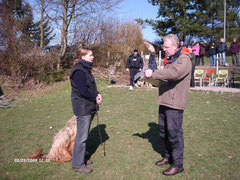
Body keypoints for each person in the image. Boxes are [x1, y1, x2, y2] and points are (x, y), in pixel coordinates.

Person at [145, 34, 192, 176]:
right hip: (165, 101)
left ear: (175, 46)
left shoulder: (183, 59)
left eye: (166, 47)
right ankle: (168, 156)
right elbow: (166, 76)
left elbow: (174, 74)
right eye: (164, 46)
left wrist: (154, 73)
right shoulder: (171, 60)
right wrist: (153, 79)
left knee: (174, 134)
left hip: (175, 103)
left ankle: (177, 164)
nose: (164, 49)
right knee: (163, 132)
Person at [69, 47, 102, 173]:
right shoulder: (79, 71)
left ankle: (81, 158)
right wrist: (95, 97)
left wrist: (97, 94)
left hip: (89, 105)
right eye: (90, 55)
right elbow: (83, 91)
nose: (92, 57)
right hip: (83, 107)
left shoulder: (86, 69)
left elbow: (91, 87)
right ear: (82, 57)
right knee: (81, 137)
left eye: (92, 54)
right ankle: (78, 165)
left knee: (84, 135)